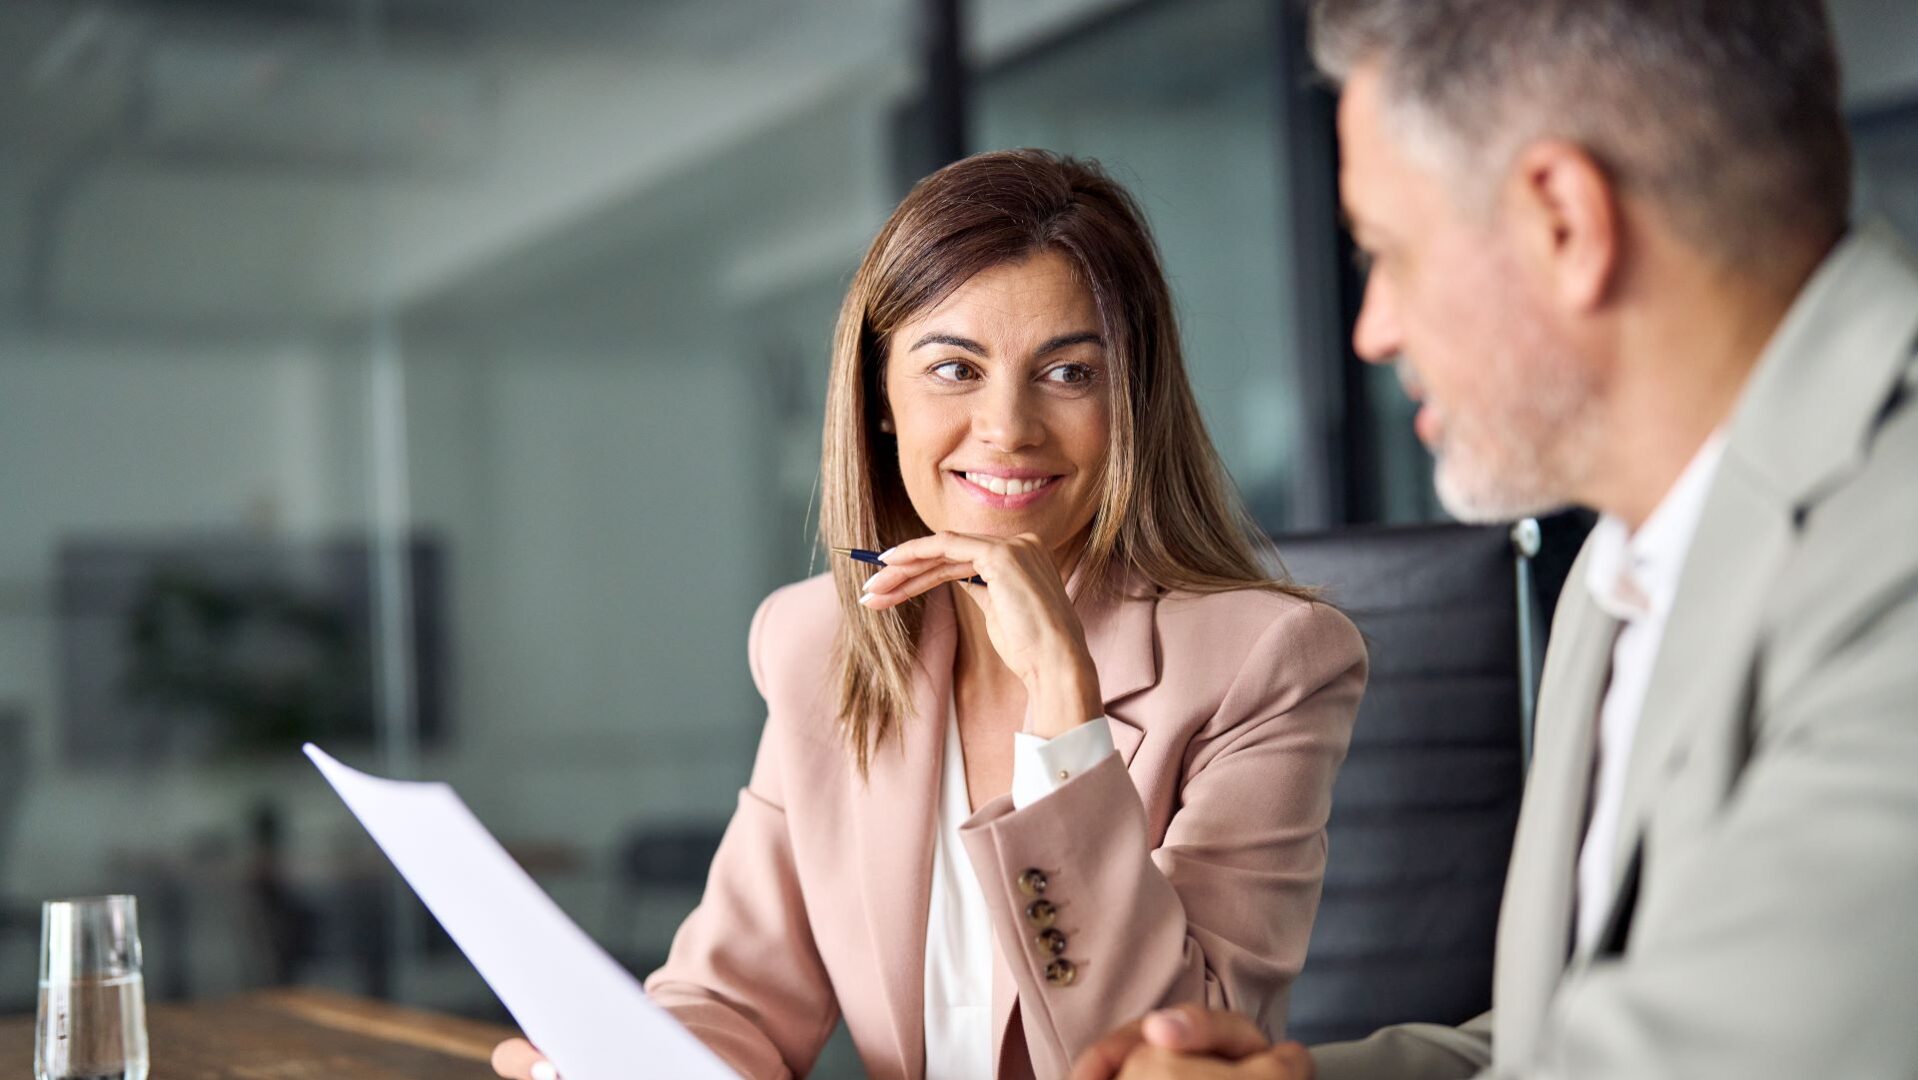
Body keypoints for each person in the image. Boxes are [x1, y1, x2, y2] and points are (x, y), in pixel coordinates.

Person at [1071, 0, 1918, 1077]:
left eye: (1388, 251)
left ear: (1563, 221)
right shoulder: (1622, 567)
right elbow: (1556, 1043)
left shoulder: (1892, 568)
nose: (1371, 328)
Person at [492, 149, 1367, 1080]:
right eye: (955, 368)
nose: (1009, 428)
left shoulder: (1269, 663)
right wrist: (629, 1064)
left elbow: (1180, 1050)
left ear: (1132, 401)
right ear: (879, 397)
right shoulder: (815, 643)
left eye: (1069, 374)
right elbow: (735, 997)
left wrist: (1067, 708)